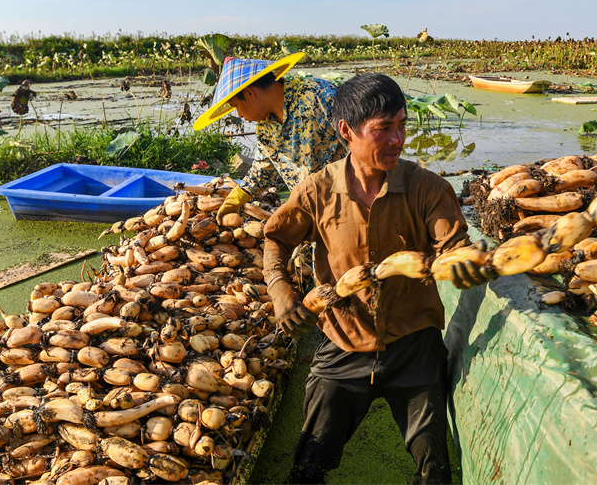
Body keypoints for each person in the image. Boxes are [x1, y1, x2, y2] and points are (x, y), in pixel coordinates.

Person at [262, 73, 495, 484]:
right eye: (383, 129)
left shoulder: (429, 189)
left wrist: (463, 262)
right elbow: (276, 239)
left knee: (434, 470)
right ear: (346, 131)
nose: (397, 139)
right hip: (343, 341)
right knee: (308, 465)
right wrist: (281, 289)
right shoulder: (317, 190)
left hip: (413, 345)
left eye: (402, 125)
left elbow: (453, 246)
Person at [193, 52, 347, 223]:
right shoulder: (265, 127)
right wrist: (236, 198)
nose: (239, 114)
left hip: (352, 203)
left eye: (236, 106)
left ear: (250, 94)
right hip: (315, 213)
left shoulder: (319, 96)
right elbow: (263, 169)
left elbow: (365, 144)